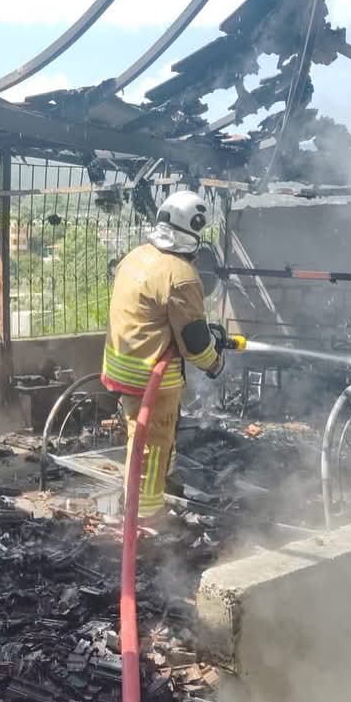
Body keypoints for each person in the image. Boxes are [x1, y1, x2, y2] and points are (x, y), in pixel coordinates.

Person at [101, 190, 225, 523]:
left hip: (122, 365)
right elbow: (195, 344)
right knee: (150, 444)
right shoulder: (181, 275)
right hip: (151, 375)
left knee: (151, 434)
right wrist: (215, 362)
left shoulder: (137, 256)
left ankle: (165, 486)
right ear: (195, 228)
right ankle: (144, 517)